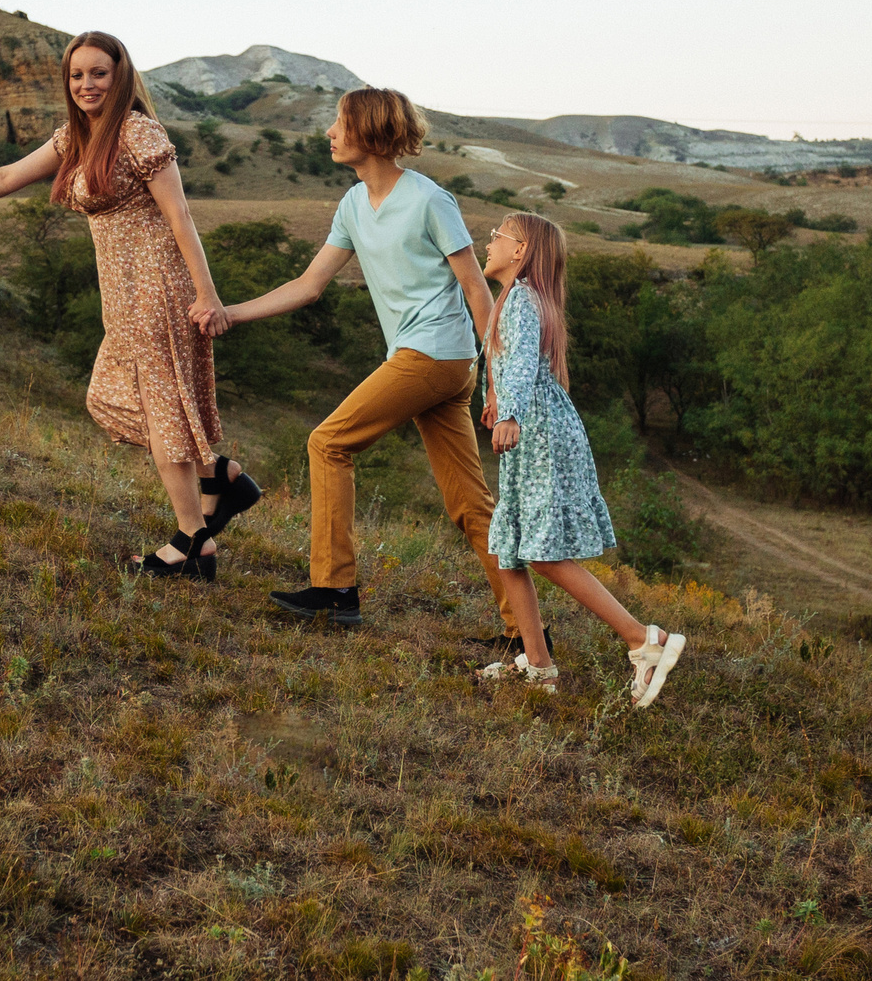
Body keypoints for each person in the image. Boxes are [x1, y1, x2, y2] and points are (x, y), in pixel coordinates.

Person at [0, 32, 259, 577]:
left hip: (158, 287)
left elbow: (181, 218)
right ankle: (217, 478)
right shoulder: (76, 136)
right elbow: (4, 177)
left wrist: (207, 295)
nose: (87, 84)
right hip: (120, 291)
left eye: (99, 73)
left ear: (121, 78)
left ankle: (193, 540)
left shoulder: (139, 132)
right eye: (77, 75)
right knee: (111, 398)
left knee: (161, 408)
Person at [203, 88, 517, 645]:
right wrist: (230, 314)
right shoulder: (352, 204)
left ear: (368, 132)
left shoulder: (429, 200)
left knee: (328, 443)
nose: (328, 133)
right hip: (424, 359)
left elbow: (478, 292)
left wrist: (502, 386)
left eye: (338, 123)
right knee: (471, 503)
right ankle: (526, 635)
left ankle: (334, 590)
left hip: (437, 355)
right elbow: (309, 285)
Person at [477, 213, 685, 702]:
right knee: (510, 547)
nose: (488, 243)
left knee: (542, 554)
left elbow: (526, 362)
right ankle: (539, 666)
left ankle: (643, 639)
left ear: (521, 250)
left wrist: (508, 413)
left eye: (497, 237)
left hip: (539, 432)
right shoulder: (516, 299)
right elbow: (508, 360)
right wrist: (493, 394)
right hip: (531, 429)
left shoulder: (524, 299)